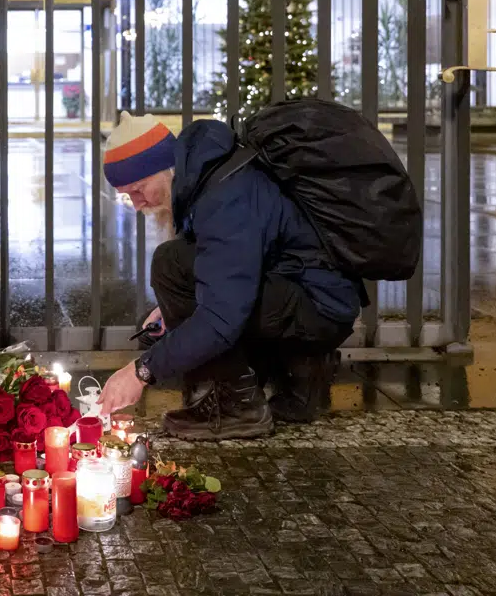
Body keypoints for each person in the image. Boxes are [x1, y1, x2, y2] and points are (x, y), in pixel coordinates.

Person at [96, 112, 361, 439]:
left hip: (319, 307)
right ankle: (298, 371)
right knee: (165, 317)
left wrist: (141, 372)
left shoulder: (224, 197)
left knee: (171, 266)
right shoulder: (207, 179)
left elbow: (222, 317)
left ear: (163, 168)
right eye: (127, 196)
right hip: (301, 293)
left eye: (138, 189)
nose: (136, 205)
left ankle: (240, 407)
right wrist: (170, 313)